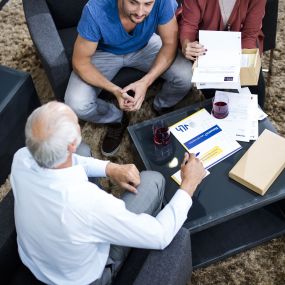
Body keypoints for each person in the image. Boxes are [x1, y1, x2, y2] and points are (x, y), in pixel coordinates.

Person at [10, 101, 206, 285]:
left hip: (39, 261)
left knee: (84, 152)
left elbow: (67, 162)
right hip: (86, 278)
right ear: (71, 145)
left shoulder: (21, 157)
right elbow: (160, 235)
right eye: (76, 122)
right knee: (153, 180)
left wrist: (110, 168)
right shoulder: (89, 204)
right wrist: (189, 183)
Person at [65, 0, 193, 157]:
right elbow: (80, 61)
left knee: (186, 75)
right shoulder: (95, 10)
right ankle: (115, 118)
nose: (140, 12)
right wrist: (114, 90)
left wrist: (146, 82)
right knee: (76, 103)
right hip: (104, 52)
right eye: (133, 2)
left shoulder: (164, 1)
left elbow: (170, 43)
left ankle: (162, 106)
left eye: (147, 4)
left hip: (145, 45)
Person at [179, 0, 266, 107]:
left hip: (242, 45)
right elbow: (189, 26)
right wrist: (186, 44)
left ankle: (256, 119)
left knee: (254, 84)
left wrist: (236, 62)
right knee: (213, 92)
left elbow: (249, 34)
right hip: (207, 48)